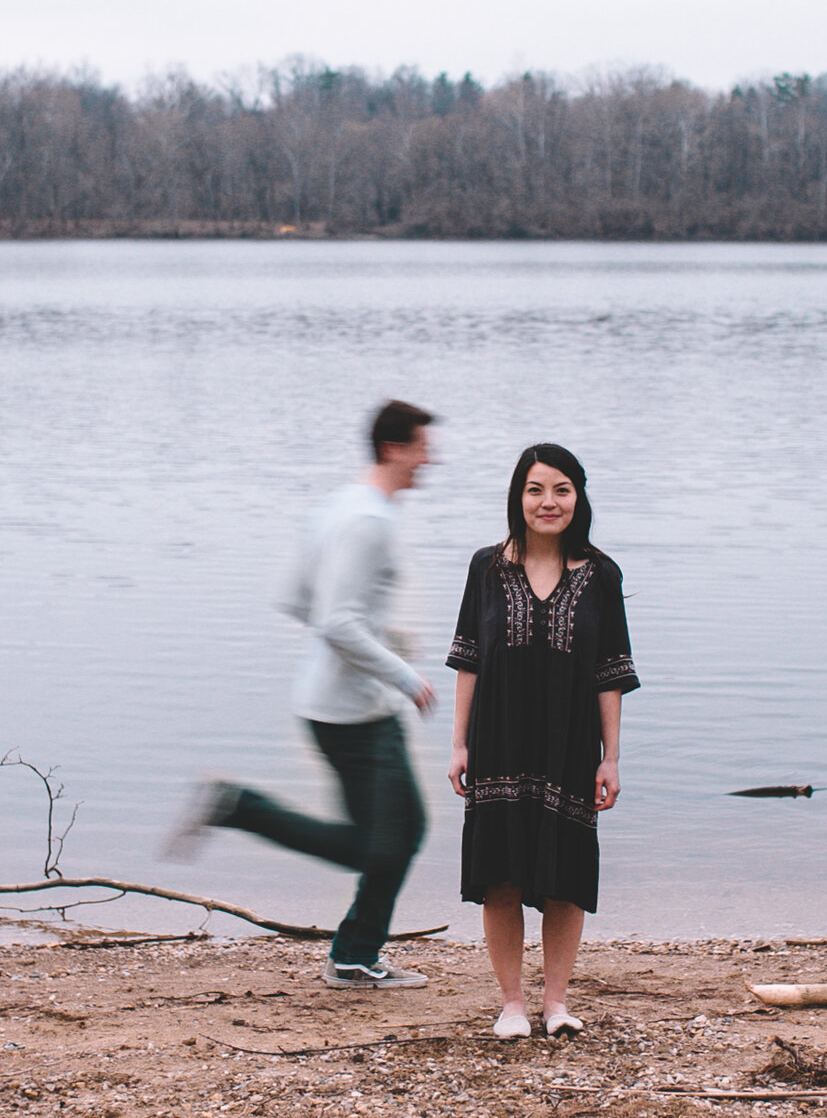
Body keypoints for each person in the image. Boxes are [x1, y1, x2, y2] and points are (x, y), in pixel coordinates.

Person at [164, 400, 439, 989]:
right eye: (422, 447)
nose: (430, 459)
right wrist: (403, 674)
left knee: (394, 836)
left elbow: (296, 598)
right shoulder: (370, 522)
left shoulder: (339, 507)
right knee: (389, 842)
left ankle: (353, 949)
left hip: (332, 702)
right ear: (394, 448)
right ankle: (350, 951)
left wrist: (376, 635)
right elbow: (338, 622)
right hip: (357, 710)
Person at [445, 444, 639, 1038]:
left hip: (568, 743)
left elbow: (610, 674)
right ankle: (512, 1005)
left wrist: (610, 757)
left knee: (566, 874)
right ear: (517, 497)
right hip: (499, 738)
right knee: (500, 873)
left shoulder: (601, 575)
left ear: (578, 497)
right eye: (535, 490)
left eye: (560, 489)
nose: (547, 502)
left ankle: (556, 1004)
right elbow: (469, 661)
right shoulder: (486, 567)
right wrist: (459, 745)